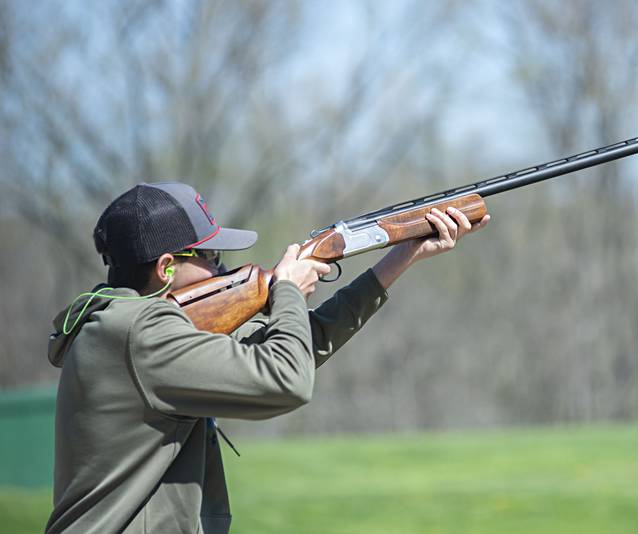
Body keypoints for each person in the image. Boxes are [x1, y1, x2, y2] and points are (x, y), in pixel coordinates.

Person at [45, 181, 490, 533]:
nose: (221, 269)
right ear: (165, 268)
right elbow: (285, 381)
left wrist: (399, 259)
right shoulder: (140, 333)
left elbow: (282, 351)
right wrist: (289, 291)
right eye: (211, 256)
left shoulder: (122, 326)